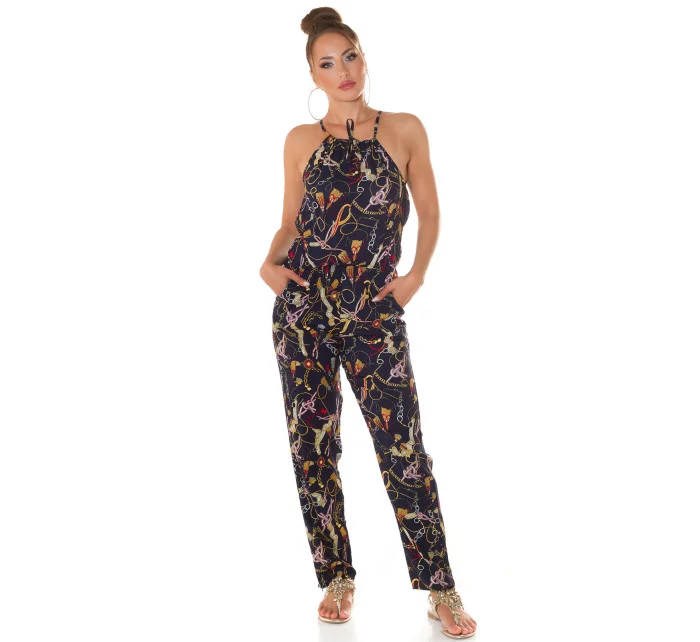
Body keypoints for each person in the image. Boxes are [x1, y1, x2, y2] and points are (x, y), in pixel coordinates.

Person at [259, 7, 478, 639]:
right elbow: (291, 222)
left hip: (373, 309)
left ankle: (440, 587)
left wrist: (414, 277)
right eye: (327, 64)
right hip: (303, 308)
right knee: (312, 445)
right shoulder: (300, 141)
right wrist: (269, 264)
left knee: (401, 444)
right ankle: (336, 576)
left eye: (349, 56)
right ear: (313, 76)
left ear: (363, 56)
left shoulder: (405, 129)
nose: (343, 71)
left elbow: (430, 212)